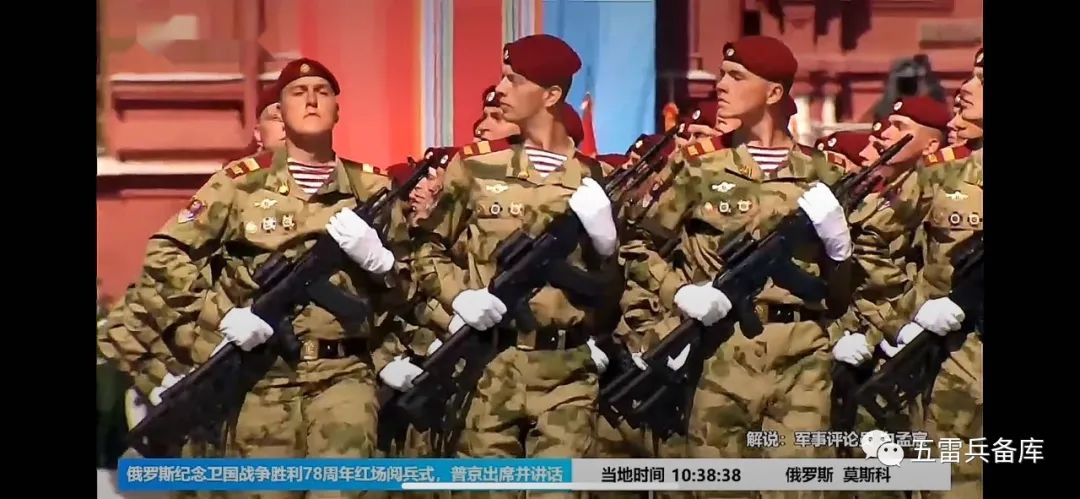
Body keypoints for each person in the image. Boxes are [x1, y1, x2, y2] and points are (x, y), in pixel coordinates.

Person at [134, 58, 413, 488]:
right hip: (261, 379)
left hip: (345, 376)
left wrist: (383, 264)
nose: (312, 100)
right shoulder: (239, 184)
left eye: (322, 92)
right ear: (280, 112)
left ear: (338, 109)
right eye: (299, 93)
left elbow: (409, 290)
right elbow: (165, 252)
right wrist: (223, 314)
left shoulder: (372, 188)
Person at [620, 36, 853, 499]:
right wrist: (679, 292)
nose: (721, 86)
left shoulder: (826, 173)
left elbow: (850, 288)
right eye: (722, 75)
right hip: (720, 354)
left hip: (802, 356)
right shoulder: (698, 167)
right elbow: (636, 242)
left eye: (736, 77)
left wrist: (840, 251)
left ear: (773, 92)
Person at [409, 34, 616, 499]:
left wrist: (607, 246)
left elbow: (611, 288)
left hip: (566, 371)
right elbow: (426, 249)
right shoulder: (476, 167)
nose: (500, 89)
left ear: (551, 95)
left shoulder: (593, 177)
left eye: (514, 80)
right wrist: (460, 297)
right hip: (489, 367)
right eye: (503, 77)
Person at [826, 96, 951, 499]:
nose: (884, 135)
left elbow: (931, 270)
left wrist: (892, 326)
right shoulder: (875, 193)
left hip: (907, 348)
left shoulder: (933, 190)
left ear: (932, 144)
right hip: (863, 343)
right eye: (887, 125)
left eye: (901, 128)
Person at [892, 47, 984, 499]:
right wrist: (914, 310)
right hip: (955, 363)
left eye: (982, 79)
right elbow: (873, 245)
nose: (965, 89)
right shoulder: (940, 173)